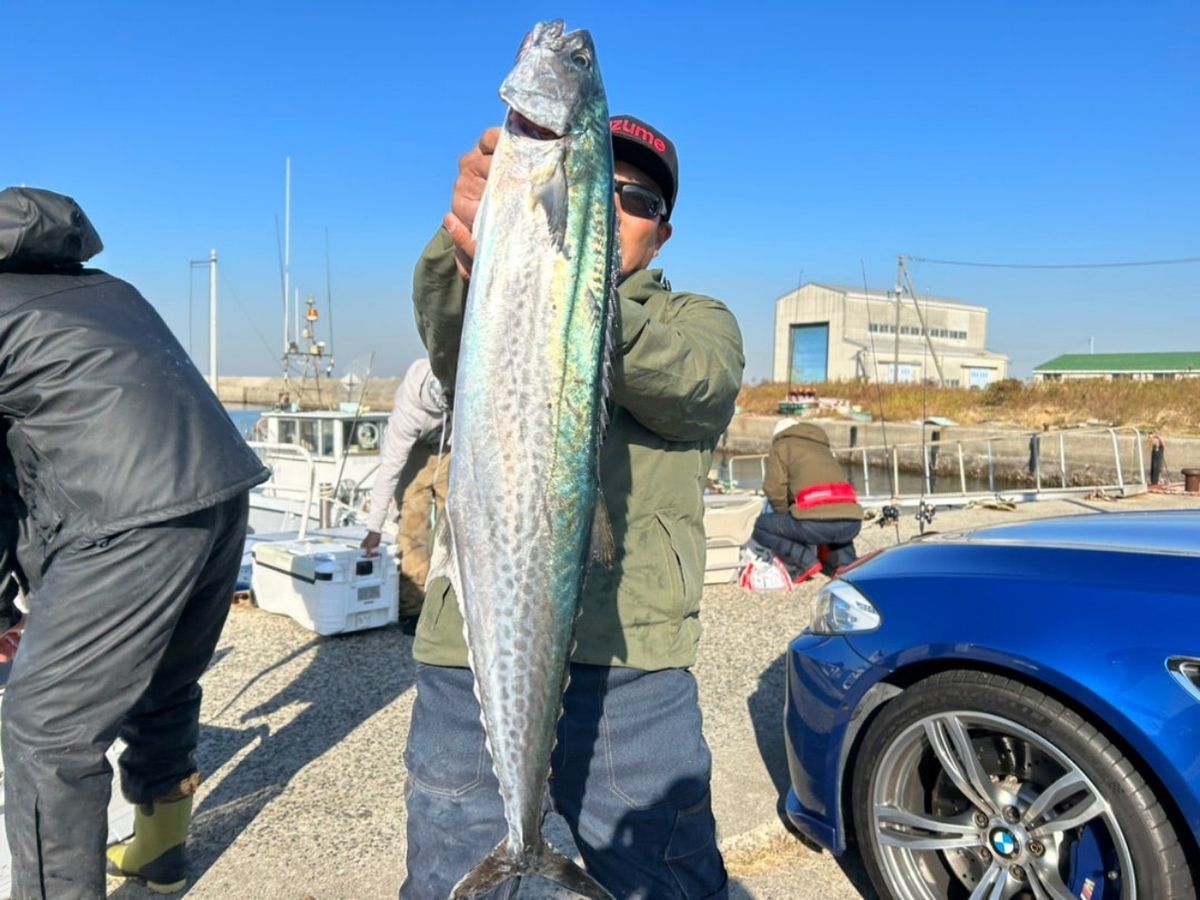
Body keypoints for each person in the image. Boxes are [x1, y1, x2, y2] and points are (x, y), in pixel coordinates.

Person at [401, 115, 744, 897]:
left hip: (632, 665)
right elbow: (448, 338)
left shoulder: (700, 320)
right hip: (474, 650)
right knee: (450, 871)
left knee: (668, 875)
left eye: (635, 199)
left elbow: (697, 388)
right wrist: (467, 246)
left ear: (662, 232)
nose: (612, 208)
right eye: (599, 189)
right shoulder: (499, 288)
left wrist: (569, 281)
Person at [0, 186, 269, 897]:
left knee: (44, 731)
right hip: (221, 489)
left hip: (127, 515)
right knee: (162, 682)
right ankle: (158, 852)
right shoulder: (107, 289)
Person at [359, 357, 451, 633]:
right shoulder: (408, 414)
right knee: (412, 523)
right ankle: (413, 609)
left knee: (457, 523)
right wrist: (374, 527)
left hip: (451, 446)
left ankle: (454, 602)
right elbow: (389, 470)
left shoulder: (461, 381)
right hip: (417, 450)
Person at [752, 418, 863, 583]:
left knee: (760, 526)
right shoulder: (821, 446)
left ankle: (804, 562)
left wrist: (784, 515)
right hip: (852, 523)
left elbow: (774, 489)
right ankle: (844, 563)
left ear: (778, 435)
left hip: (814, 525)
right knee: (834, 513)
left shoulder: (782, 445)